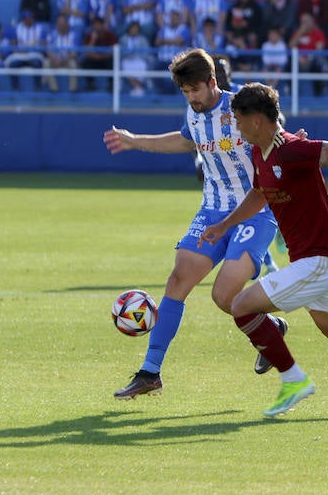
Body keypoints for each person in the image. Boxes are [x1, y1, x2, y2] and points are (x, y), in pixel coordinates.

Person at [200, 81, 328, 418]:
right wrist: (224, 225)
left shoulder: (292, 149)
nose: (236, 126)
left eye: (238, 119)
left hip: (319, 262)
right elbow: (259, 194)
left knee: (241, 305)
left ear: (256, 120)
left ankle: (294, 380)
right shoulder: (261, 151)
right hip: (309, 263)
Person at [102, 48, 284, 400]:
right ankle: (150, 373)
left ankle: (270, 328)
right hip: (212, 211)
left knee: (225, 295)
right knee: (178, 280)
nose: (191, 98)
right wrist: (134, 141)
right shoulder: (194, 113)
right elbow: (186, 140)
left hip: (254, 212)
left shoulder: (244, 109)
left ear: (212, 82)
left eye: (195, 91)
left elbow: (279, 143)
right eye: (185, 93)